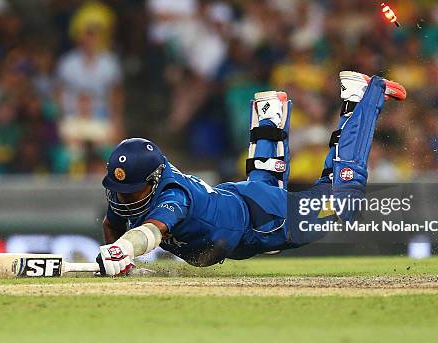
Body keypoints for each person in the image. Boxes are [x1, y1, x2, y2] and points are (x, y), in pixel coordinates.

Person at [96, 71, 406, 275]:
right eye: (120, 189)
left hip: (260, 220)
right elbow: (113, 223)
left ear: (153, 180)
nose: (123, 196)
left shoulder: (172, 195)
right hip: (238, 203)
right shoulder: (127, 193)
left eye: (132, 189)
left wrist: (123, 250)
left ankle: (361, 97)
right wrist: (124, 263)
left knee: (343, 204)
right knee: (264, 185)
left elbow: (150, 232)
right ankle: (268, 116)